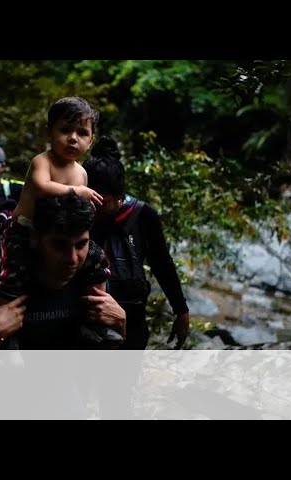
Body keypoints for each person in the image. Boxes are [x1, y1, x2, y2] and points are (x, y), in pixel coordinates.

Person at [0, 192, 127, 418]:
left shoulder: (89, 281)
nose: (72, 258)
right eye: (59, 245)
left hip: (60, 399)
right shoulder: (1, 285)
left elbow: (102, 361)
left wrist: (121, 323)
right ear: (35, 238)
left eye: (81, 245)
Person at [0, 96, 120, 346]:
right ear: (49, 132)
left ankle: (95, 321)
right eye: (65, 130)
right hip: (25, 230)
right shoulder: (43, 161)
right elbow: (41, 187)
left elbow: (79, 213)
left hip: (63, 233)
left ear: (91, 140)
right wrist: (78, 192)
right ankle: (8, 332)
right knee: (13, 274)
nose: (73, 138)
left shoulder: (81, 172)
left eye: (82, 133)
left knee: (97, 261)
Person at [82, 136, 191, 418]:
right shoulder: (79, 212)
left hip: (131, 317)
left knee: (117, 395)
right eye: (90, 198)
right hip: (83, 316)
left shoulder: (142, 216)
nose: (95, 208)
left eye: (102, 202)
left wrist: (181, 311)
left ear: (119, 197)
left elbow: (162, 263)